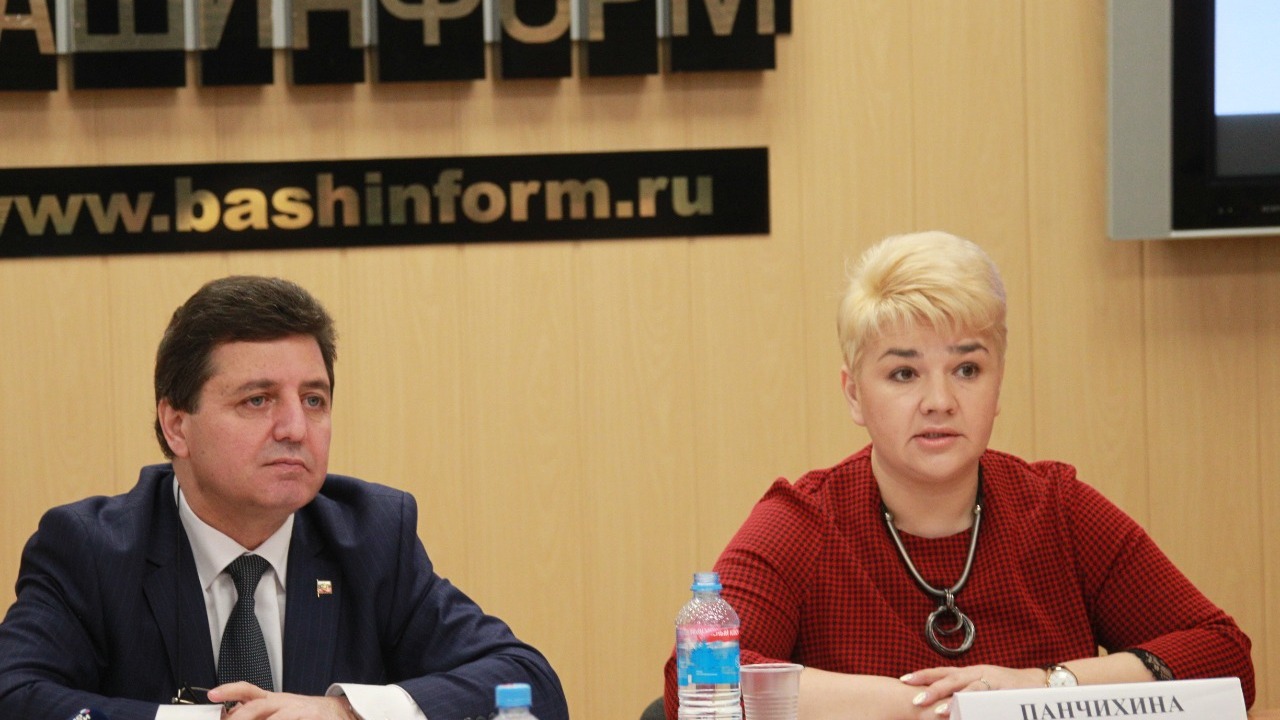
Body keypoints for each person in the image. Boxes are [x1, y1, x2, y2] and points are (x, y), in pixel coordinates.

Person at [662, 231, 1254, 719]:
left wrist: (1042, 686)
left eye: (967, 368)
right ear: (854, 394)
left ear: (998, 383)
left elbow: (1224, 655)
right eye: (904, 374)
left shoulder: (1059, 509)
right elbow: (695, 681)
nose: (940, 401)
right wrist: (929, 705)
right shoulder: (803, 522)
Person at [0, 276, 569, 720]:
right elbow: (14, 693)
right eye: (258, 400)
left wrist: (343, 711)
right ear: (176, 426)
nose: (296, 428)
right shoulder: (92, 548)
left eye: (314, 400)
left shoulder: (370, 536)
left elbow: (527, 683)